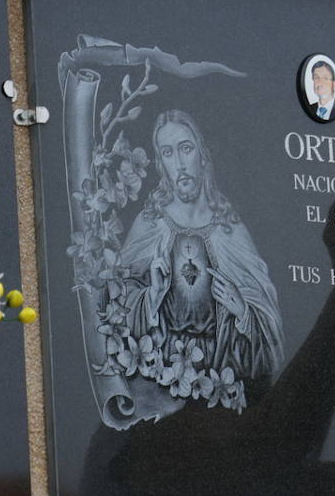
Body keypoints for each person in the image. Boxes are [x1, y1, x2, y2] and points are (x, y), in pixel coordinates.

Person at [115, 108, 284, 418]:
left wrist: (243, 310)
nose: (179, 164)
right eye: (167, 153)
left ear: (202, 154)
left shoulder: (230, 230)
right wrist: (149, 298)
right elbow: (112, 309)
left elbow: (273, 342)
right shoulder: (149, 224)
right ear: (160, 164)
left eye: (186, 149)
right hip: (157, 396)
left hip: (219, 400)